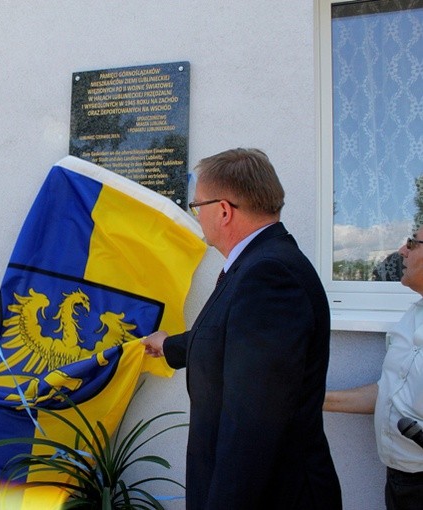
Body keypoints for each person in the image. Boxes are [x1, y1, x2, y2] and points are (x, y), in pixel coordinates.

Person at [142, 148, 342, 509]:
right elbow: (231, 339)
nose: (197, 215)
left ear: (223, 210)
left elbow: (251, 425)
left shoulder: (269, 276)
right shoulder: (256, 264)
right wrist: (169, 345)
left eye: (197, 205)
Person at [324, 229, 423, 510]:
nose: (402, 251)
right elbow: (389, 393)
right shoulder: (412, 316)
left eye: (413, 243)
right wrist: (312, 398)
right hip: (399, 480)